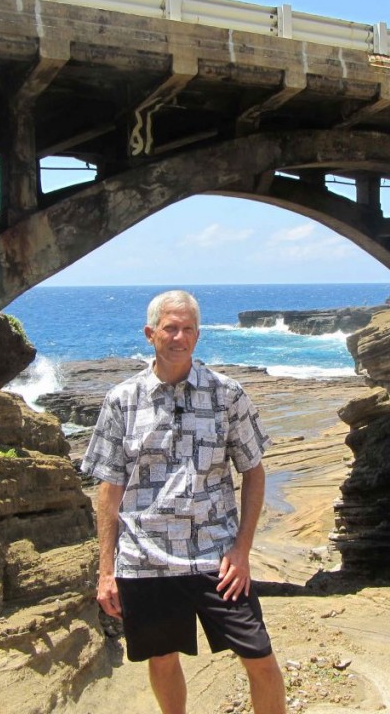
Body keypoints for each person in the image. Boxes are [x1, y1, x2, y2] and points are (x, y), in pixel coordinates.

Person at [82, 289, 286, 714]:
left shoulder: (227, 395)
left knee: (259, 657)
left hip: (217, 557)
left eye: (188, 329)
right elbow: (109, 488)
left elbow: (253, 470)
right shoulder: (122, 400)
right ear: (150, 333)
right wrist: (107, 571)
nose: (180, 337)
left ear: (198, 333)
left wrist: (242, 549)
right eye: (170, 328)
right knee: (162, 657)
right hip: (146, 558)